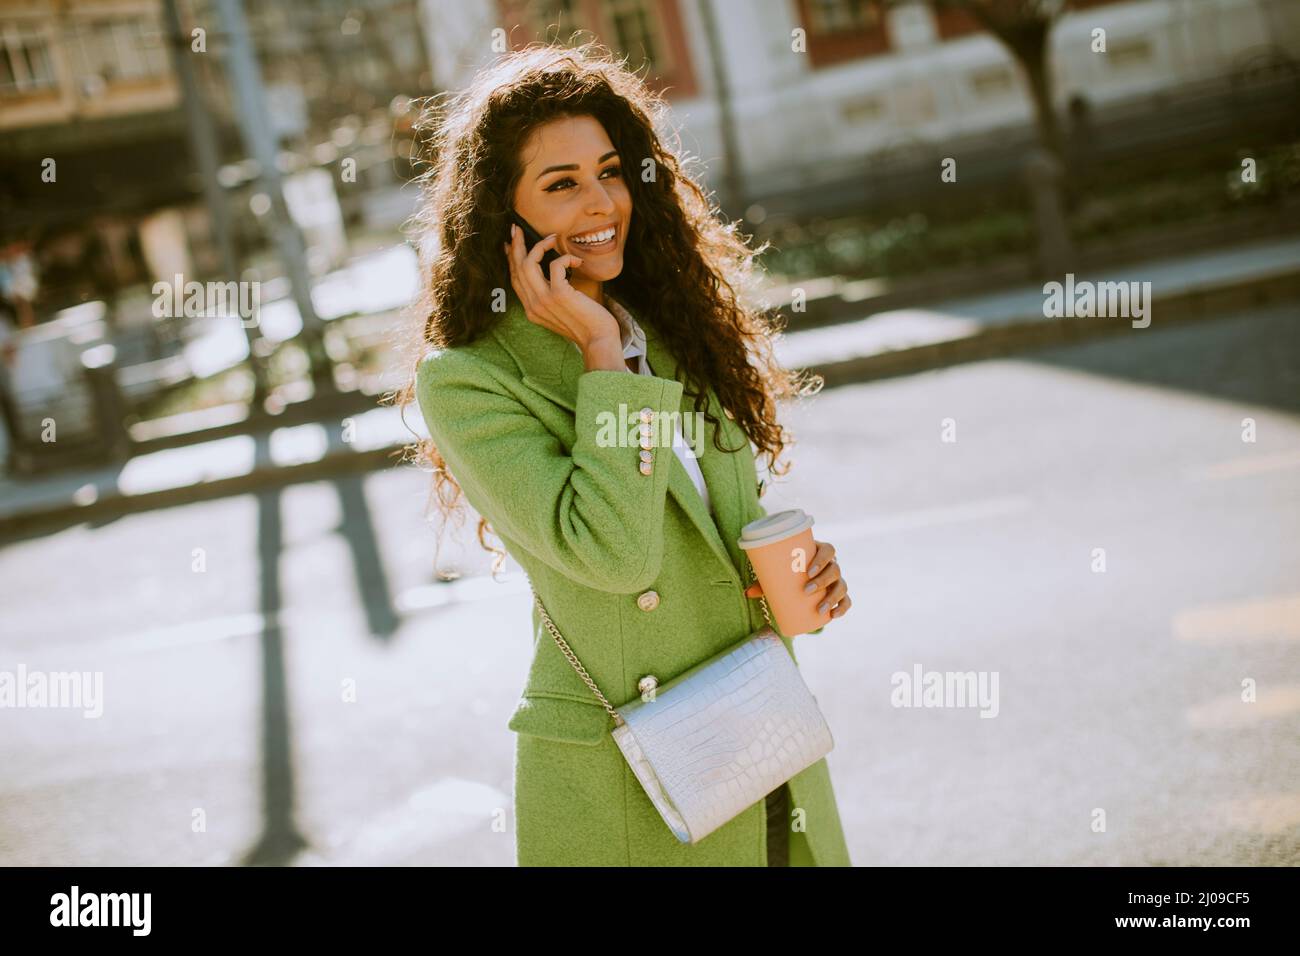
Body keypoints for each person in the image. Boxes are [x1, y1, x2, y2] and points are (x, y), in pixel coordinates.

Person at [400, 43, 854, 866]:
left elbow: (724, 551)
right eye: (561, 183)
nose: (601, 201)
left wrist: (803, 583)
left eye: (610, 171)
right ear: (503, 215)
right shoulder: (468, 383)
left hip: (762, 739)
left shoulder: (673, 328)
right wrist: (601, 356)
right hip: (633, 787)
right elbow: (613, 553)